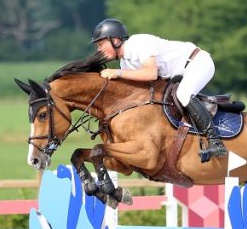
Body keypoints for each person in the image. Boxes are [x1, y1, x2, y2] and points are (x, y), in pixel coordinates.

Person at [90, 18, 227, 162]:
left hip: (198, 62)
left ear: (116, 40)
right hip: (179, 74)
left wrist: (117, 73)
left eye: (100, 44)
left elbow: (151, 73)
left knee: (183, 94)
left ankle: (215, 142)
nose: (98, 49)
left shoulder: (138, 43)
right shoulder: (125, 62)